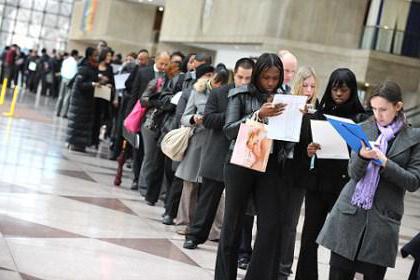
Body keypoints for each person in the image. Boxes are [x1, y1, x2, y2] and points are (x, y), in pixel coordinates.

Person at [316, 80, 420, 280]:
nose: (378, 115)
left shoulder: (414, 138)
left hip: (381, 225)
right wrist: (363, 157)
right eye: (374, 108)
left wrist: (385, 163)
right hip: (348, 218)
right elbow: (353, 174)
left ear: (398, 107)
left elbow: (413, 182)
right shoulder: (363, 128)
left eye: (383, 109)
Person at [215, 53, 289, 280]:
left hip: (270, 166)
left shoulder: (285, 98)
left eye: (275, 78)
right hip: (240, 164)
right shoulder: (240, 94)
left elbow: (286, 139)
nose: (270, 83)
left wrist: (297, 119)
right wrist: (257, 115)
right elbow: (228, 130)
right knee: (233, 225)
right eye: (266, 77)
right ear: (257, 76)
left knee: (270, 225)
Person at [295, 68, 367, 280]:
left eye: (343, 90)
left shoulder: (361, 118)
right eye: (335, 89)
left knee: (342, 240)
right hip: (317, 183)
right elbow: (307, 147)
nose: (338, 94)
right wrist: (310, 150)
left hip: (344, 186)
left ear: (351, 91)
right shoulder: (319, 114)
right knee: (309, 238)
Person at [183, 58, 254, 249]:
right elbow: (208, 119)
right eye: (240, 77)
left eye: (248, 78)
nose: (244, 82)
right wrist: (234, 117)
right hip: (217, 153)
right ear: (234, 74)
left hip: (243, 156)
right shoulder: (220, 93)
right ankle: (195, 235)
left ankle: (237, 245)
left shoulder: (255, 96)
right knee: (207, 199)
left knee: (239, 205)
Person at [277, 65, 320, 280]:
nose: (308, 90)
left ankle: (284, 268)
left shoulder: (316, 112)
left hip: (300, 174)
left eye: (312, 86)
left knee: (290, 223)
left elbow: (311, 144)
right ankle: (268, 261)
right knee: (272, 219)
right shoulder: (286, 105)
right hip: (279, 170)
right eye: (305, 84)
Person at [66, 47, 99, 152]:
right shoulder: (84, 67)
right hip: (80, 101)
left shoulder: (92, 67)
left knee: (83, 123)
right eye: (95, 55)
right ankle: (74, 143)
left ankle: (80, 144)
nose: (97, 57)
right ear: (89, 56)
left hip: (87, 101)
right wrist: (93, 84)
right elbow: (80, 84)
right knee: (77, 123)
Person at [91, 47, 115, 149]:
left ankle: (96, 141)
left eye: (110, 56)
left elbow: (112, 82)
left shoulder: (110, 68)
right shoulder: (95, 66)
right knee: (92, 117)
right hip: (94, 96)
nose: (109, 58)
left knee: (100, 119)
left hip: (104, 97)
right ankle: (90, 139)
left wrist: (109, 84)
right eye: (108, 55)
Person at [56, 49, 79, 117]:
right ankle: (64, 113)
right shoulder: (75, 63)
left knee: (60, 96)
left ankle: (58, 112)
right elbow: (75, 72)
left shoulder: (65, 61)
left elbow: (62, 70)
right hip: (70, 80)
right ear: (75, 55)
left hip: (63, 79)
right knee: (67, 97)